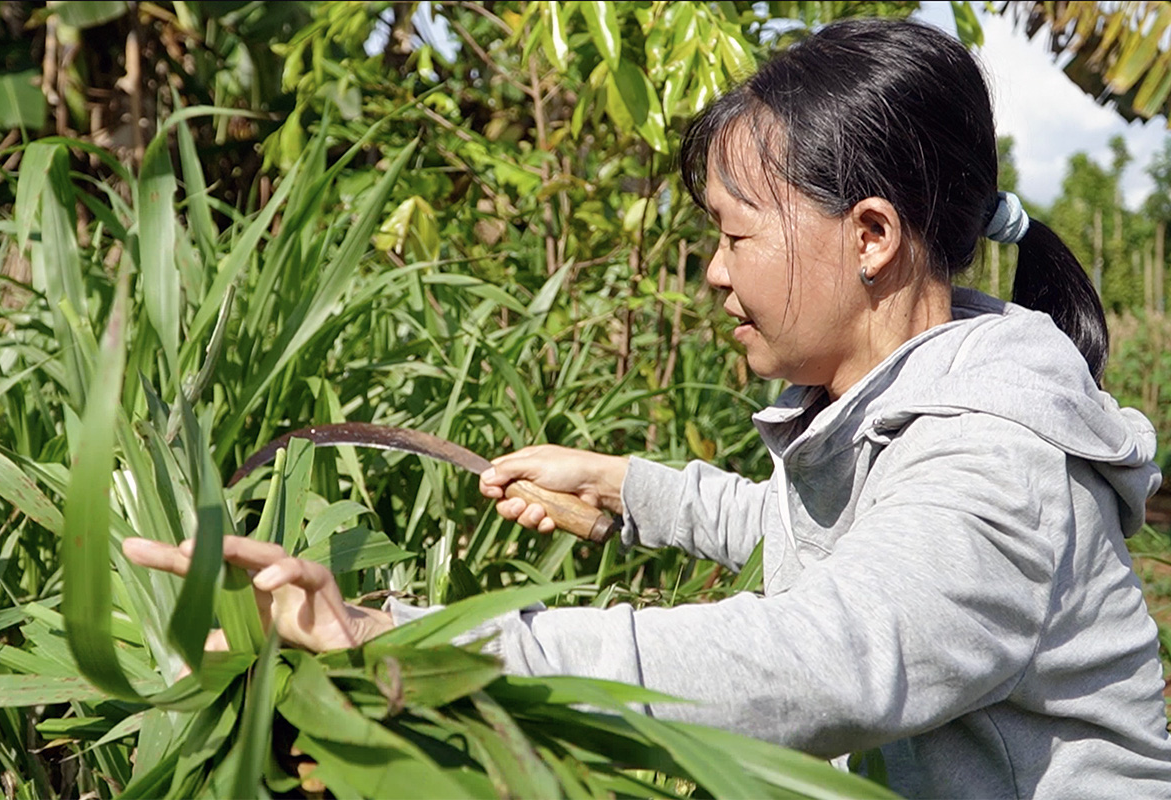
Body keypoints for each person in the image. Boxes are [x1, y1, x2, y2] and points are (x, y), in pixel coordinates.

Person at [124, 18, 1171, 798]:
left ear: (868, 235)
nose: (712, 273)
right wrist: (630, 490)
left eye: (734, 234)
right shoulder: (911, 402)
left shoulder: (993, 470)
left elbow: (818, 660)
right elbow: (818, 538)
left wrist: (391, 639)